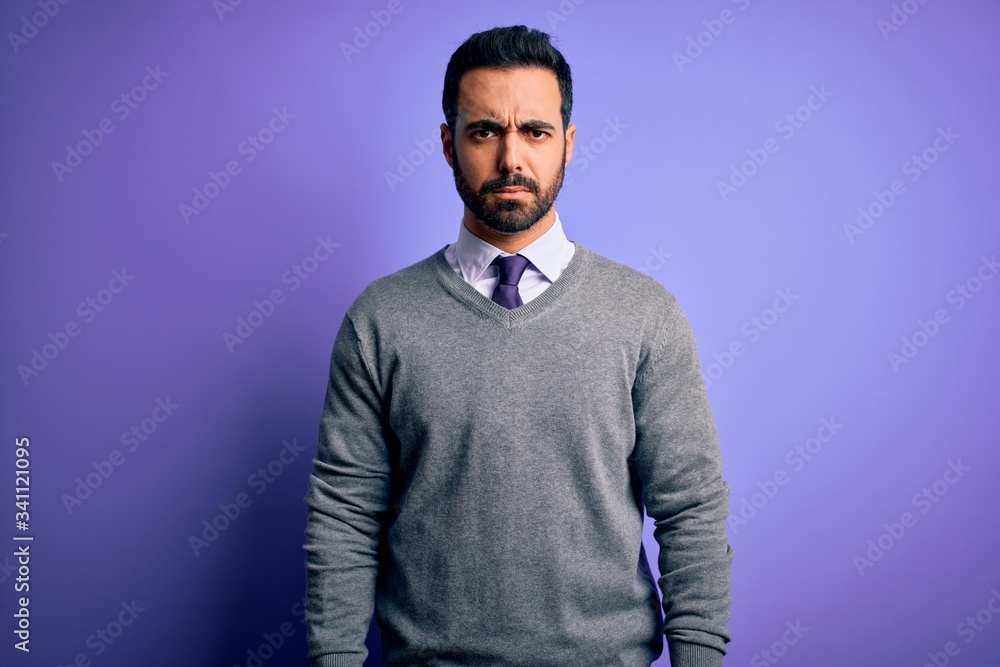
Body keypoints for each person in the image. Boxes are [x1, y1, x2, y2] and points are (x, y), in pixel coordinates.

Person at [303, 24, 733, 667]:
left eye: (535, 131)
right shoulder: (380, 318)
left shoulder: (646, 315)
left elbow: (690, 508)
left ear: (568, 144)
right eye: (484, 132)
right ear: (449, 145)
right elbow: (343, 516)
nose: (512, 158)